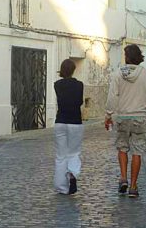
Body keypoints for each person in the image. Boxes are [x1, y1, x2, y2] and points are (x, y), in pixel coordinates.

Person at [105, 44, 146, 198]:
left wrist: (108, 115)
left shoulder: (118, 74)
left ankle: (123, 178)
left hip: (122, 117)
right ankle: (134, 187)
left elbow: (112, 97)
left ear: (126, 57)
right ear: (139, 57)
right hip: (140, 119)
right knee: (137, 151)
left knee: (122, 148)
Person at [54, 59, 84, 195]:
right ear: (73, 70)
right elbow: (79, 102)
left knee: (61, 155)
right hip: (75, 122)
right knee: (73, 152)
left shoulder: (57, 85)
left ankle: (62, 187)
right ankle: (72, 174)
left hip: (60, 121)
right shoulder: (79, 85)